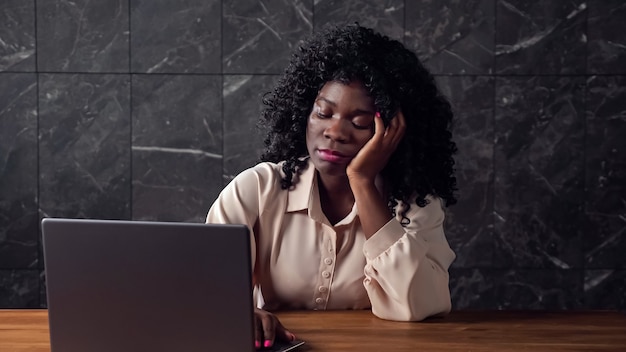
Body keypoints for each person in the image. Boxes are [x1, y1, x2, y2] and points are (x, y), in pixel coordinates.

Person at [206, 23, 457, 349]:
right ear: (303, 114)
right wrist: (246, 314)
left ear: (392, 131)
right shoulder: (257, 189)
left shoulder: (415, 204)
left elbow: (418, 306)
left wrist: (363, 183)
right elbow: (208, 296)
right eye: (323, 112)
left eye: (359, 122)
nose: (335, 131)